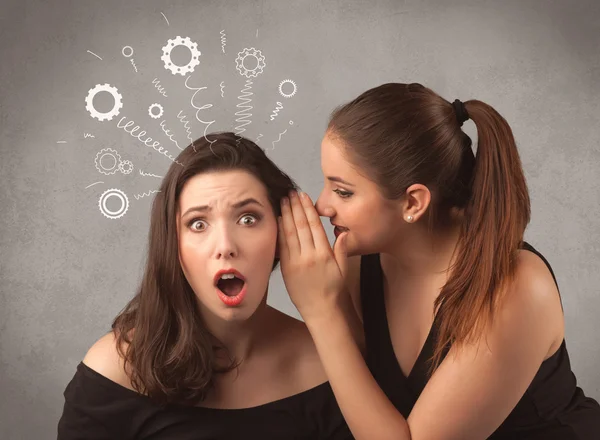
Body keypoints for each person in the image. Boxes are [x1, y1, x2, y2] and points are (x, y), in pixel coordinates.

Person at [277, 83, 600, 439]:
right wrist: (334, 304)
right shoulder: (360, 261)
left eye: (343, 192)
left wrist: (322, 314)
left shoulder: (516, 288)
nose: (323, 206)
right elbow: (365, 395)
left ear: (413, 203)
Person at [57, 132, 354, 440]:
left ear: (283, 233)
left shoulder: (330, 366)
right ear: (174, 245)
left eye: (248, 219)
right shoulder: (115, 370)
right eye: (198, 224)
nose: (225, 246)